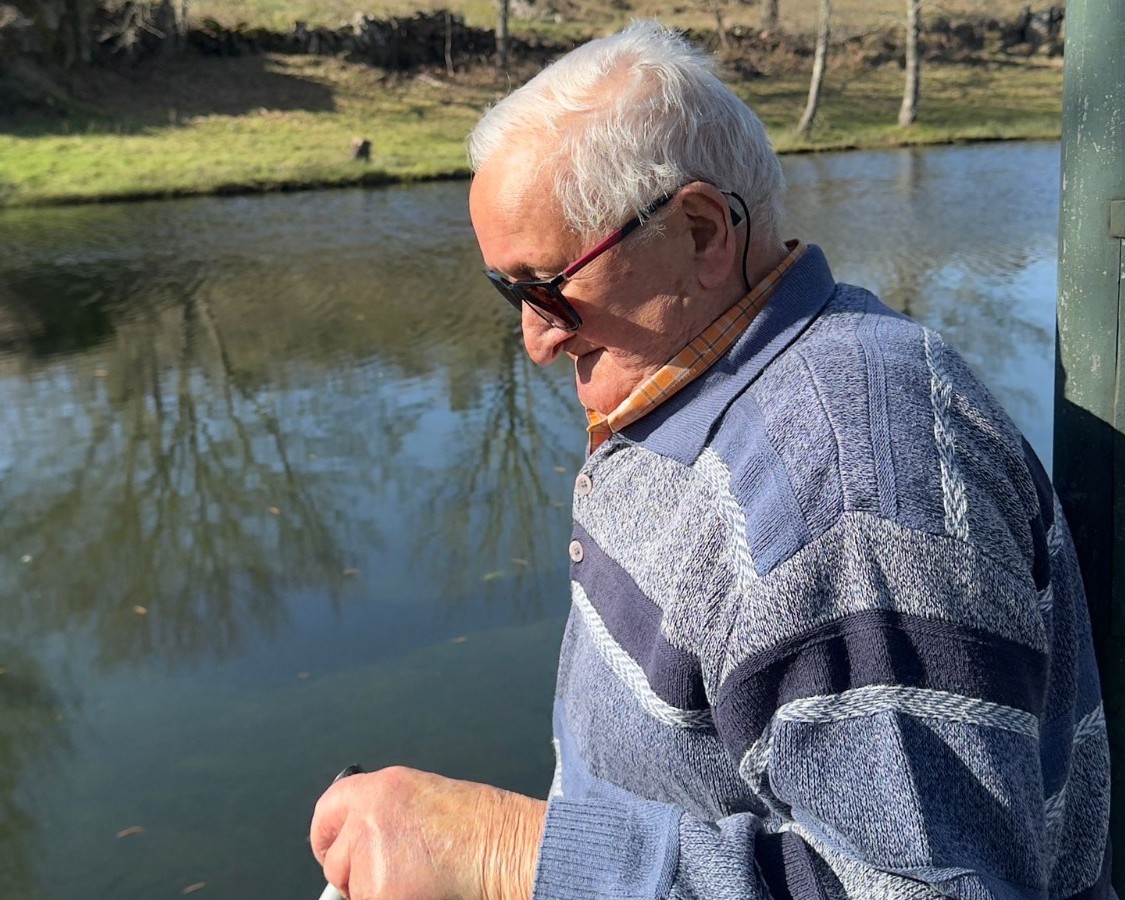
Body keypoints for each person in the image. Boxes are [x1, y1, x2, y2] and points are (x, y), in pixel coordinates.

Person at [311, 21, 1113, 899]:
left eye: (545, 288)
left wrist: (513, 858)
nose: (534, 339)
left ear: (698, 233)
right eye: (507, 292)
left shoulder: (846, 487)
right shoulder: (694, 384)